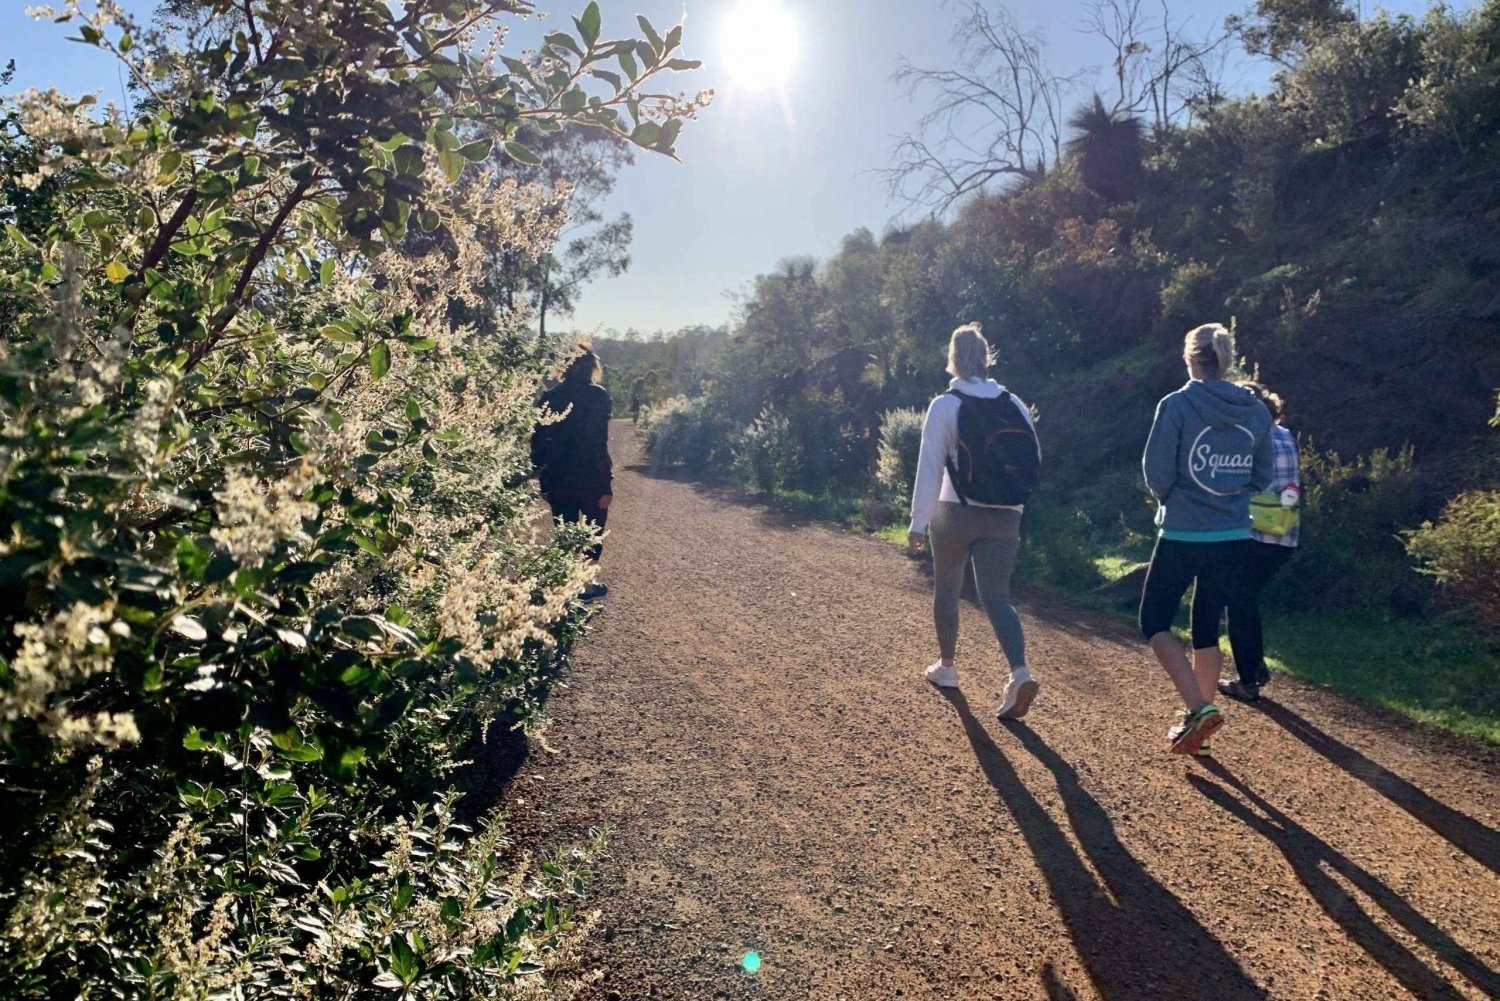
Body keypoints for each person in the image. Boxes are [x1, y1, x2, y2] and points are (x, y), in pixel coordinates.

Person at [1139, 323, 1272, 755]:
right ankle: (1200, 731)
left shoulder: (1177, 405)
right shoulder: (1256, 410)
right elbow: (1264, 475)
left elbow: (1156, 471)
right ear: (1227, 359)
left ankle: (1198, 706)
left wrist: (1172, 499)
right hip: (1234, 533)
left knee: (1154, 620)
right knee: (1205, 628)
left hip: (1182, 532)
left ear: (1190, 359)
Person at [908, 323, 1041, 722]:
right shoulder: (1013, 403)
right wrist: (1015, 507)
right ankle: (1019, 672)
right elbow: (1031, 460)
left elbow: (930, 465)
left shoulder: (946, 404)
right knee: (997, 596)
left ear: (952, 359)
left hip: (956, 510)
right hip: (1006, 515)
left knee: (947, 588)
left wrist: (918, 521)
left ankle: (947, 667)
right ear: (987, 358)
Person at [1198, 382, 1301, 703]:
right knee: (1243, 597)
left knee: (1238, 598)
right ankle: (1254, 669)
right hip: (1285, 533)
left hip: (1252, 531)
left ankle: (1249, 678)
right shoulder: (1285, 435)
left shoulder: (1247, 437)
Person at [531, 347, 613, 601]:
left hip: (557, 479)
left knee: (566, 532)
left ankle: (567, 586)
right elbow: (597, 443)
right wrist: (606, 484)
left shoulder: (549, 397)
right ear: (592, 367)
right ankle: (586, 587)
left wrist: (543, 480)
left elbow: (538, 442)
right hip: (590, 479)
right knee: (592, 531)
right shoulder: (599, 397)